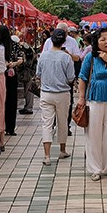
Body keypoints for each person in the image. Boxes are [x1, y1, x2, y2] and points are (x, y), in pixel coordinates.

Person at [77, 27, 107, 181]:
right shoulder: (90, 58)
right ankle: (95, 168)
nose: (106, 41)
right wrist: (81, 98)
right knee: (94, 133)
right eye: (103, 39)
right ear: (96, 42)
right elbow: (82, 77)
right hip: (94, 99)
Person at [38, 29, 76, 165]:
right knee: (62, 122)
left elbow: (38, 74)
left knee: (47, 124)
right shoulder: (66, 57)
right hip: (62, 94)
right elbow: (71, 77)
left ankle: (47, 155)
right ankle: (62, 150)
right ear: (63, 41)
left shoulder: (43, 56)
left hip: (46, 93)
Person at [42, 22, 82, 135]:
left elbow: (77, 58)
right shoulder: (49, 41)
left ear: (67, 32)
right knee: (51, 107)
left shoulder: (72, 41)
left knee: (67, 104)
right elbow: (43, 57)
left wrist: (68, 55)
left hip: (65, 79)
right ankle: (53, 125)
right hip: (50, 78)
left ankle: (65, 126)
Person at [3, 31, 24, 136]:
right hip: (1, 76)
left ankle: (10, 127)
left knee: (11, 101)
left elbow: (21, 59)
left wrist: (14, 64)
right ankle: (3, 127)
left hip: (11, 75)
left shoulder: (14, 45)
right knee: (3, 102)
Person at [17, 36, 37, 116]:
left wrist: (21, 63)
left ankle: (28, 107)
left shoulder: (26, 50)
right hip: (30, 72)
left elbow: (28, 62)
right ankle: (28, 107)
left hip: (28, 72)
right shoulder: (28, 49)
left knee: (28, 90)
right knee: (28, 90)